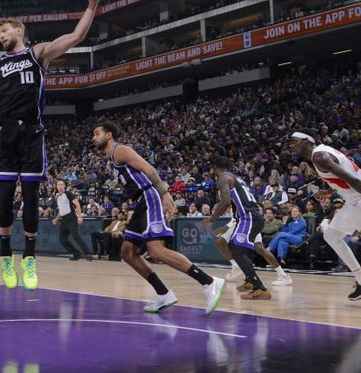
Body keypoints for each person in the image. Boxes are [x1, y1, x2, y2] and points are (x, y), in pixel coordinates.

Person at [0, 0, 106, 290]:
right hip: (5, 133)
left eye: (4, 31)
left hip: (32, 132)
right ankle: (6, 255)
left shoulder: (39, 54)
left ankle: (30, 258)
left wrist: (92, 3)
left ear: (19, 30)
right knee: (5, 199)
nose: (1, 36)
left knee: (32, 198)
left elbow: (77, 36)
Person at [91, 121, 224, 314]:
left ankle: (209, 282)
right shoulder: (111, 159)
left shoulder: (120, 150)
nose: (93, 138)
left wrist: (164, 193)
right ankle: (163, 294)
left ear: (109, 135)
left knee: (157, 251)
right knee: (127, 253)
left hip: (149, 197)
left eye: (97, 133)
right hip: (140, 202)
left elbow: (149, 169)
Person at [291, 129, 361, 300]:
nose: (292, 145)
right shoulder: (323, 152)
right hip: (354, 200)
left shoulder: (319, 157)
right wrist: (329, 190)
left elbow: (353, 180)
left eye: (295, 141)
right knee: (331, 235)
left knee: (332, 236)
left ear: (306, 141)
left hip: (358, 200)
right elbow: (346, 177)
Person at [203, 158, 279, 301]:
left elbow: (225, 201)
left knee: (236, 249)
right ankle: (251, 281)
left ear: (215, 167)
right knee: (238, 248)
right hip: (251, 215)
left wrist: (211, 219)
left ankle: (260, 289)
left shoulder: (222, 178)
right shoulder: (235, 177)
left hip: (248, 216)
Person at [51, 180, 93, 261]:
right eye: (58, 184)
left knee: (75, 235)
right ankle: (76, 254)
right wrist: (56, 219)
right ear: (56, 186)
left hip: (71, 218)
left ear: (64, 186)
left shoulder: (68, 193)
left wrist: (80, 216)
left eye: (61, 184)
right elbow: (61, 210)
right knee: (62, 239)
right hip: (63, 220)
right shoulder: (58, 197)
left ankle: (88, 253)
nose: (60, 186)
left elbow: (77, 204)